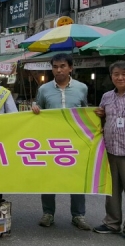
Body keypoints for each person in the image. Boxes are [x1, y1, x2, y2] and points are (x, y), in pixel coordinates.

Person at [31, 53, 90, 230]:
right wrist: (35, 108)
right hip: (51, 142)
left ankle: (78, 215)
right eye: (55, 66)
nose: (59, 70)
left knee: (78, 179)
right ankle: (48, 213)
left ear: (70, 68)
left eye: (63, 66)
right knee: (49, 178)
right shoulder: (44, 89)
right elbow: (38, 107)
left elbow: (85, 112)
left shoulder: (82, 88)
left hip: (75, 142)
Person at [93, 60, 125, 239]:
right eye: (116, 74)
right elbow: (102, 118)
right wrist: (101, 115)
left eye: (124, 74)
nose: (120, 77)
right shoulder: (107, 96)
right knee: (112, 191)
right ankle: (112, 223)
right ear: (111, 76)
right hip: (110, 151)